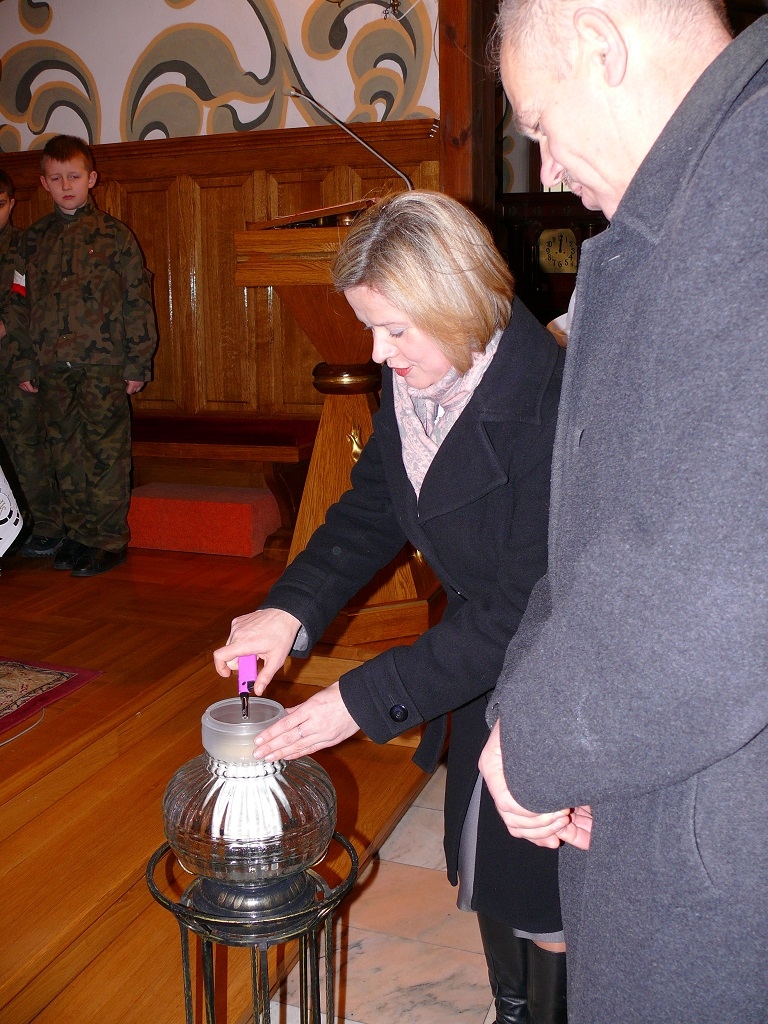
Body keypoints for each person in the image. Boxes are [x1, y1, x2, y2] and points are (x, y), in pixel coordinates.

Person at [214, 190, 569, 1023]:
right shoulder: (422, 374)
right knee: (482, 854)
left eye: (394, 329)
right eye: (370, 328)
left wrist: (359, 700)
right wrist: (291, 609)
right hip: (477, 654)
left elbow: (524, 607)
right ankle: (511, 1007)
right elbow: (374, 502)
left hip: (547, 662)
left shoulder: (550, 404)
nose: (377, 352)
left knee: (545, 882)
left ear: (457, 301)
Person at [478, 3, 767, 1022]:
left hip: (722, 838)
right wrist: (522, 710)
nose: (548, 166)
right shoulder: (699, 193)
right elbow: (599, 533)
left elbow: (724, 590)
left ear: (601, 46)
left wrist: (537, 742)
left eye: (541, 124)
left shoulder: (747, 185)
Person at [5, 135, 157, 577]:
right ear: (43, 183)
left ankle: (108, 539)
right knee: (64, 452)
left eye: (74, 176)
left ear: (91, 179)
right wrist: (24, 362)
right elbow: (17, 305)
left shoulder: (114, 236)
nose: (66, 186)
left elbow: (136, 301)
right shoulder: (33, 240)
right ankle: (78, 534)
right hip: (51, 365)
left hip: (103, 365)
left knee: (105, 453)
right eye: (56, 178)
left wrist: (138, 361)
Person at [0, 168, 60, 551]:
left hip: (15, 362)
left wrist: (25, 362)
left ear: (11, 204)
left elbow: (29, 306)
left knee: (25, 446)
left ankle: (46, 525)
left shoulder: (23, 246)